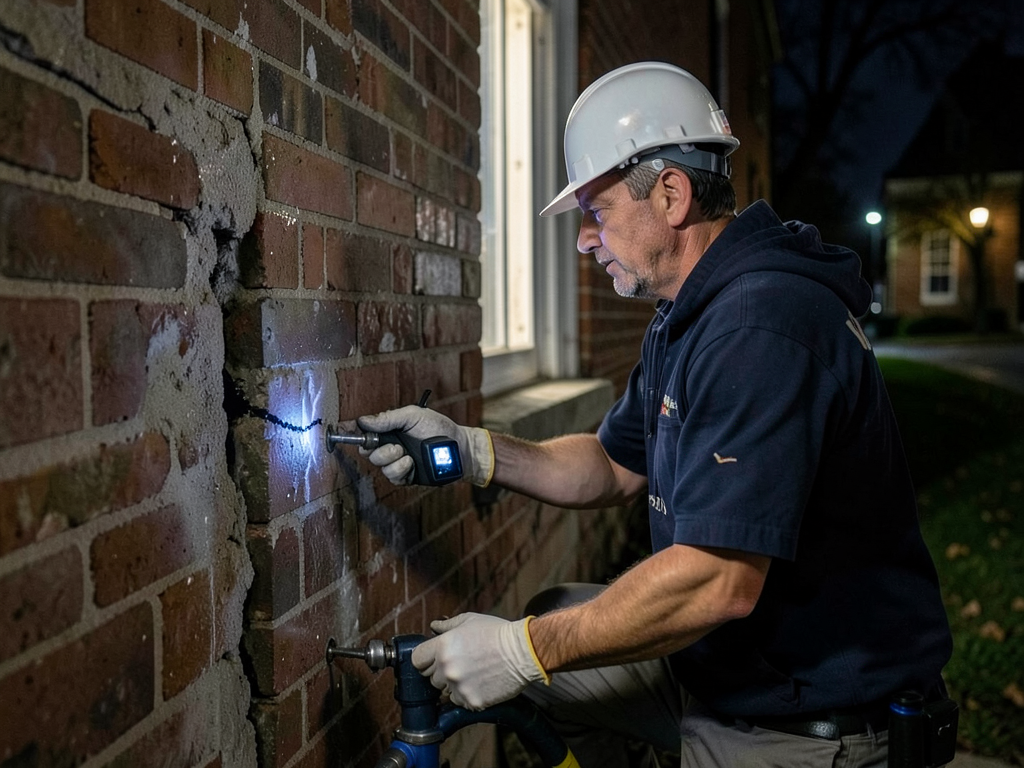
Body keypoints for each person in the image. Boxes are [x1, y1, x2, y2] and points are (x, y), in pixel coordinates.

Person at [357, 62, 952, 768]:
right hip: (724, 670)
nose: (583, 240)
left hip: (807, 723)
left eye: (596, 212)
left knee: (543, 646)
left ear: (670, 194)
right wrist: (473, 449)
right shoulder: (690, 316)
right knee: (555, 616)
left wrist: (520, 653)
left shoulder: (760, 327)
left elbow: (717, 579)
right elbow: (612, 464)